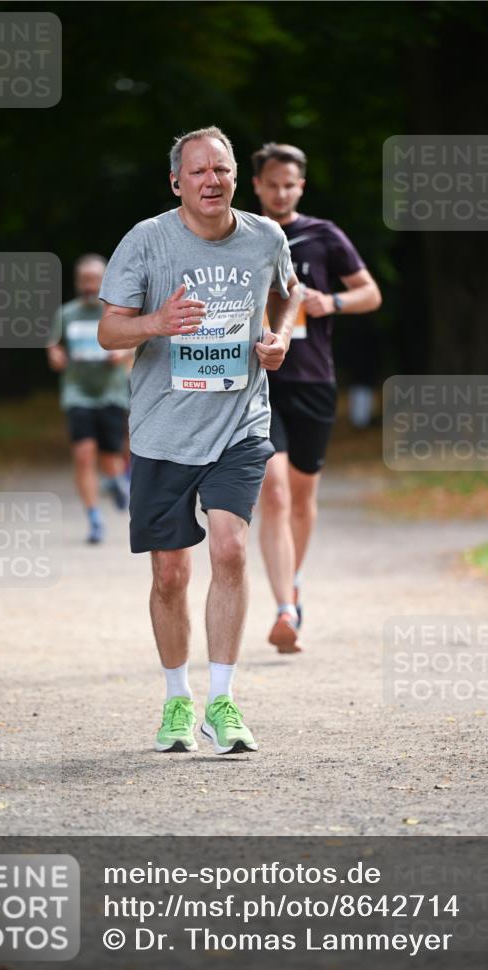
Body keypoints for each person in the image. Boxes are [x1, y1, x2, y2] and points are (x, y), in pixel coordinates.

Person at [98, 126, 301, 754]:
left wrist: (279, 337)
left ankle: (222, 700)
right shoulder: (147, 240)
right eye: (198, 171)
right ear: (176, 182)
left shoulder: (266, 237)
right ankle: (176, 700)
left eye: (222, 169)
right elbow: (109, 331)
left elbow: (288, 293)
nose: (211, 181)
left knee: (231, 550)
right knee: (170, 574)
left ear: (236, 177)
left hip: (240, 422)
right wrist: (158, 322)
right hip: (162, 429)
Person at [251, 142, 382, 653]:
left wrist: (333, 301)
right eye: (272, 184)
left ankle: (294, 580)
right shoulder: (243, 235)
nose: (281, 193)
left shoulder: (323, 235)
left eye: (290, 185)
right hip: (259, 383)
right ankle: (285, 607)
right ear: (256, 185)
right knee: (275, 491)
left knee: (303, 497)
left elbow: (371, 292)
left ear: (301, 186)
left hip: (312, 381)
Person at [47, 254, 133, 544]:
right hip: (77, 393)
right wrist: (56, 356)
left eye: (94, 280)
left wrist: (122, 353)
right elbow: (54, 346)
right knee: (83, 455)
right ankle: (94, 518)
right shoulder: (66, 314)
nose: (89, 286)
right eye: (84, 280)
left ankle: (116, 481)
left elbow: (136, 345)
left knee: (110, 457)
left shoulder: (117, 313)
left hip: (111, 392)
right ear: (77, 282)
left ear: (105, 281)